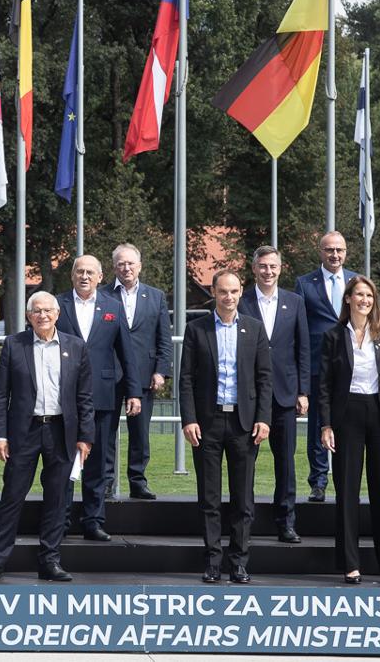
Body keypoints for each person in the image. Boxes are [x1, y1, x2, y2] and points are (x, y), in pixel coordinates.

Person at [0, 292, 94, 582]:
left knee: (58, 499)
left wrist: (85, 437)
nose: (43, 315)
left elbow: (84, 397)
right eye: (37, 311)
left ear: (57, 314)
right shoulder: (13, 345)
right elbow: (1, 395)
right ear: (29, 316)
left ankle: (50, 561)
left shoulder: (76, 347)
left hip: (62, 432)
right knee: (12, 496)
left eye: (48, 311)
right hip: (24, 431)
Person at [179, 270, 274, 584]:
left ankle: (239, 562)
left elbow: (264, 378)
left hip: (244, 423)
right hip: (207, 422)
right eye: (223, 292)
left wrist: (263, 418)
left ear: (240, 292)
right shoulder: (196, 329)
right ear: (213, 292)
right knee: (209, 497)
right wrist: (189, 419)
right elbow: (187, 380)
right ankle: (212, 562)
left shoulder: (255, 329)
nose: (229, 297)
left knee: (243, 497)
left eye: (234, 291)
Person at [316, 275, 380, 585]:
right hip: (347, 416)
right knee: (347, 492)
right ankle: (350, 564)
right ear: (348, 299)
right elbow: (324, 385)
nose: (364, 300)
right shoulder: (332, 336)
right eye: (359, 295)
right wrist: (326, 424)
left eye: (369, 295)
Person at [53, 254, 136, 542]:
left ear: (101, 277)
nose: (84, 276)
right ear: (72, 275)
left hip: (103, 397)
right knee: (62, 460)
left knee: (99, 462)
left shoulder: (113, 307)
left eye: (90, 272)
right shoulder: (57, 305)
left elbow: (127, 352)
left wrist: (134, 392)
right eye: (79, 271)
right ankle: (59, 520)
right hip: (62, 397)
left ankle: (93, 520)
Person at [242, 245, 309, 542]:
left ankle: (286, 521)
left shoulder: (295, 302)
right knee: (245, 462)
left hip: (284, 394)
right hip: (250, 396)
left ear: (281, 269)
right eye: (263, 266)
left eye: (273, 267)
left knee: (286, 462)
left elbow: (303, 349)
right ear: (254, 269)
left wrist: (303, 390)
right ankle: (244, 520)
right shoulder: (240, 301)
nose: (268, 272)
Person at [294, 231, 357, 503]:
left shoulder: (356, 281)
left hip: (351, 366)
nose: (335, 255)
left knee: (349, 426)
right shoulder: (305, 283)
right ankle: (318, 481)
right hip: (317, 366)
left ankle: (346, 480)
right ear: (320, 251)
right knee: (318, 425)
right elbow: (299, 328)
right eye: (329, 250)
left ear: (346, 252)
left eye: (339, 250)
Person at [112, 243, 173, 500]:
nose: (126, 268)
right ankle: (106, 482)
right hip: (110, 373)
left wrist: (161, 370)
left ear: (140, 266)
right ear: (114, 267)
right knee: (105, 432)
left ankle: (138, 481)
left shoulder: (156, 296)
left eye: (131, 263)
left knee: (140, 433)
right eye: (121, 264)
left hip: (145, 374)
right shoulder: (103, 295)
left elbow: (164, 338)